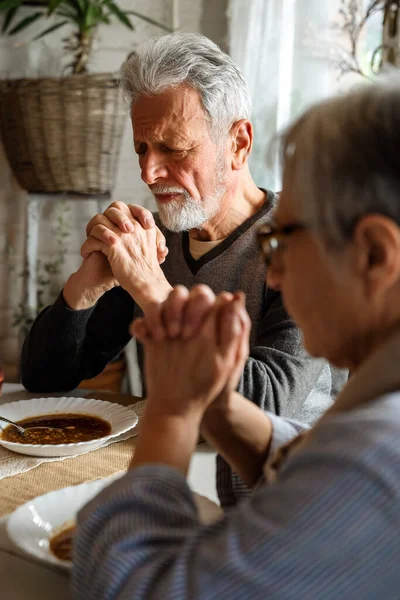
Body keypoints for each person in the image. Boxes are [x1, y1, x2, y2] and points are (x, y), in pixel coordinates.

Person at [72, 77, 400, 599]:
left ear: (375, 255)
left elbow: (131, 586)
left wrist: (174, 413)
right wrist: (219, 406)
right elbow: (317, 466)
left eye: (281, 239)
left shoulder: (377, 462)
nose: (271, 275)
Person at [20, 33, 345, 506]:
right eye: (141, 149)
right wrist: (82, 291)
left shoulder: (303, 245)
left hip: (294, 495)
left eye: (174, 148)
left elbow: (267, 409)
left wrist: (152, 289)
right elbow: (46, 379)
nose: (149, 172)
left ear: (237, 143)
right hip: (178, 470)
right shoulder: (156, 239)